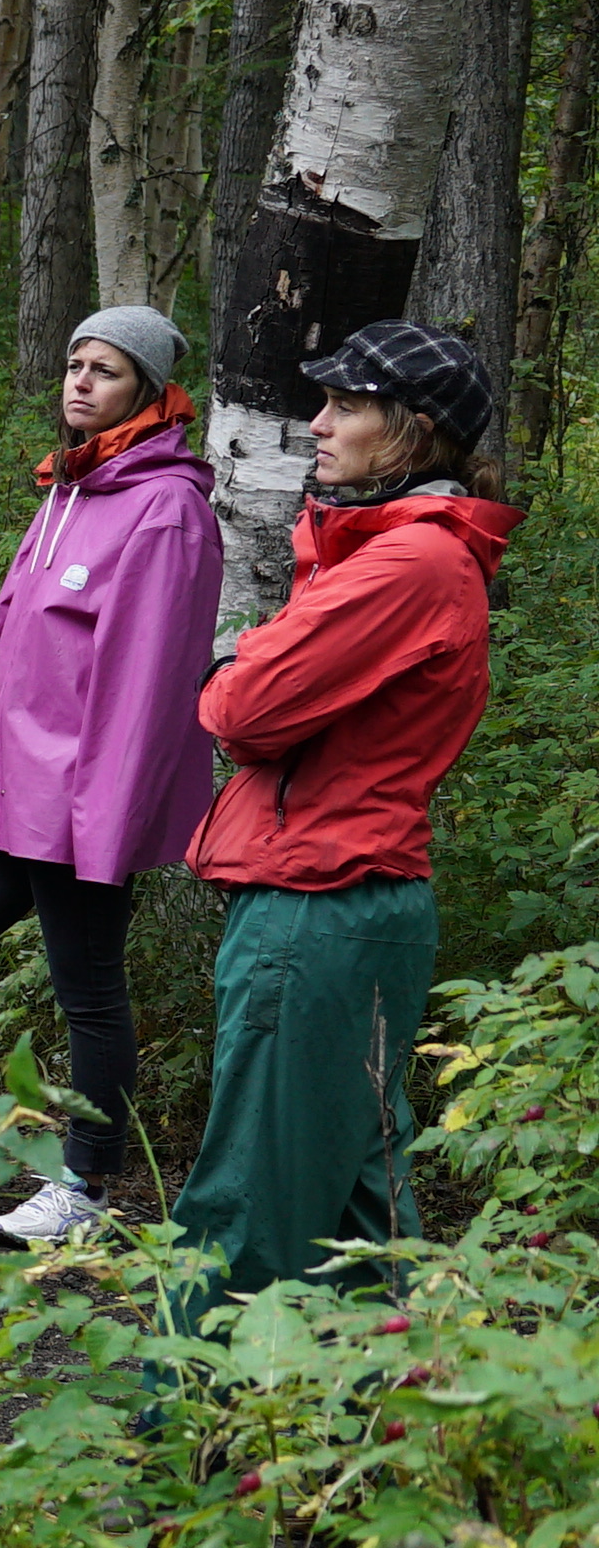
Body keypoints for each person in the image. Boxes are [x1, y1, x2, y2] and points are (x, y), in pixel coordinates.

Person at [167, 320, 518, 1313]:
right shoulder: (391, 554)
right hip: (347, 893)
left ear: (409, 432)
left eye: (344, 406)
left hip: (319, 901)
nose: (316, 425)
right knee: (361, 1205)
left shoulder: (406, 563)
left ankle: (185, 1442)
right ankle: (395, 1436)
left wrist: (235, 662)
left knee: (248, 1199)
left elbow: (241, 710)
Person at [0, 301, 223, 1245]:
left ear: (147, 388)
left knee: (88, 990)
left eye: (104, 369)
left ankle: (87, 1191)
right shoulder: (69, 487)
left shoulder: (165, 509)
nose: (80, 381)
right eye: (74, 363)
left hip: (78, 806)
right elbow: (9, 643)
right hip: (19, 796)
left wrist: (101, 816)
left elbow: (144, 685)